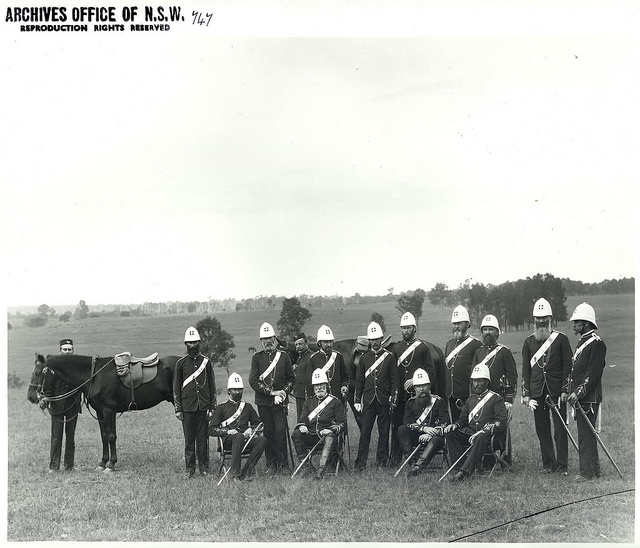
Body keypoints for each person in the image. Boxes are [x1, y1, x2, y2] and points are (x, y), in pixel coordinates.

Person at [521, 298, 573, 475]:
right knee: (541, 429)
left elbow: (568, 366)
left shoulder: (561, 339)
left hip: (557, 391)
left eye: (544, 318)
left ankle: (562, 466)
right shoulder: (528, 342)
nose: (541, 322)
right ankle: (548, 464)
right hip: (537, 392)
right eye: (538, 319)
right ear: (534, 320)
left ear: (550, 318)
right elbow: (526, 370)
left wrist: (565, 389)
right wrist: (526, 394)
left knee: (560, 429)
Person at [444, 364, 509, 481]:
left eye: (479, 381)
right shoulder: (470, 400)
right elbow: (463, 420)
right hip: (472, 434)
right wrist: (455, 425)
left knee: (481, 436)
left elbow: (501, 422)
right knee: (451, 433)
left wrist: (484, 431)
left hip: (490, 436)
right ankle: (459, 467)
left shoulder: (496, 399)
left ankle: (464, 472)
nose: (476, 384)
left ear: (487, 382)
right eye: (474, 381)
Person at [565, 302, 607, 482]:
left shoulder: (596, 343)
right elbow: (576, 372)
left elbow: (593, 374)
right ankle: (594, 471)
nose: (573, 325)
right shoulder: (582, 342)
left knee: (585, 435)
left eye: (576, 322)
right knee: (586, 433)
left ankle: (586, 473)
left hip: (589, 397)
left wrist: (579, 393)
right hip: (581, 397)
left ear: (587, 323)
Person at [249, 322, 296, 474]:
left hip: (280, 404)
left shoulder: (284, 357)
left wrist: (283, 392)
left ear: (275, 338)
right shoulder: (257, 358)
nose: (268, 342)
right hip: (264, 403)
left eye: (270, 338)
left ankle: (283, 465)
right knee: (268, 433)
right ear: (260, 341)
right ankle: (271, 465)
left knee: (281, 432)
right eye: (264, 339)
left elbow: (291, 379)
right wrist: (271, 393)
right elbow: (253, 380)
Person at [390, 312, 436, 465]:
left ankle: (418, 459)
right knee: (397, 426)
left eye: (408, 328)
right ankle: (395, 459)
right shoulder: (397, 348)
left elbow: (431, 371)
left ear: (414, 329)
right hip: (401, 396)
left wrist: (415, 380)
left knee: (417, 427)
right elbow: (392, 373)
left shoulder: (422, 348)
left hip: (417, 398)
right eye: (403, 328)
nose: (405, 331)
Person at [173, 326, 217, 478]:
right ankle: (189, 469)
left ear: (199, 343)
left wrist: (212, 407)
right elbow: (176, 387)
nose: (193, 345)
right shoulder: (181, 363)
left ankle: (204, 468)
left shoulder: (206, 362)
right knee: (189, 440)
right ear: (186, 344)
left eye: (195, 342)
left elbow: (212, 385)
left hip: (203, 407)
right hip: (187, 408)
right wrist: (178, 409)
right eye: (190, 343)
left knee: (202, 440)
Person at [354, 321, 398, 470]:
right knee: (365, 432)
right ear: (369, 340)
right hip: (368, 400)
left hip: (384, 400)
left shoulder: (389, 357)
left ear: (382, 338)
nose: (375, 342)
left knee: (384, 432)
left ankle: (382, 462)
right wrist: (357, 400)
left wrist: (393, 398)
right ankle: (360, 463)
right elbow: (359, 380)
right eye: (372, 339)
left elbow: (394, 380)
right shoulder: (364, 358)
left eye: (377, 339)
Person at [209, 372, 267, 481]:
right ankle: (234, 475)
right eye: (234, 390)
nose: (237, 392)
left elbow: (259, 424)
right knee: (238, 436)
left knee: (262, 440)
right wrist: (227, 432)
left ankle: (245, 473)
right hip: (228, 441)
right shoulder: (221, 408)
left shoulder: (247, 407)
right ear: (228, 391)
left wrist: (251, 429)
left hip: (245, 439)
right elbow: (211, 430)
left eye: (239, 390)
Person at [292, 369, 347, 479]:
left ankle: (321, 470)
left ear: (326, 386)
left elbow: (342, 423)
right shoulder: (309, 402)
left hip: (326, 436)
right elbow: (302, 419)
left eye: (321, 385)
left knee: (330, 436)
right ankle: (306, 466)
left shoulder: (335, 402)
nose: (319, 388)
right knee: (296, 434)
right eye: (316, 386)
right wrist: (302, 425)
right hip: (311, 435)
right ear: (313, 388)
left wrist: (331, 430)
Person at [397, 368, 448, 476]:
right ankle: (414, 463)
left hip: (435, 436)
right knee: (401, 429)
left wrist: (430, 433)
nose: (421, 389)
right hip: (417, 435)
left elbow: (444, 421)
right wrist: (423, 429)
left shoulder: (438, 402)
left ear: (429, 386)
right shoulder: (410, 403)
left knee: (436, 439)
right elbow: (408, 422)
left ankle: (417, 468)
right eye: (418, 386)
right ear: (414, 388)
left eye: (424, 385)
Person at [41, 338, 82, 473]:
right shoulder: (52, 366)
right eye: (64, 349)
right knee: (56, 436)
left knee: (71, 435)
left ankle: (69, 465)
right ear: (60, 351)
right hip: (57, 405)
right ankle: (54, 466)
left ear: (73, 351)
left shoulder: (77, 366)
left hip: (73, 405)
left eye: (69, 350)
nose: (67, 352)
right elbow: (47, 385)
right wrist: (46, 398)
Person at [444, 306, 482, 423]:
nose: (456, 326)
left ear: (467, 324)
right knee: (455, 425)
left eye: (459, 323)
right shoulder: (449, 344)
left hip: (467, 394)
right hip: (451, 394)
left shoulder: (476, 344)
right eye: (454, 323)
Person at [472, 315, 518, 409]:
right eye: (485, 330)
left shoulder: (505, 352)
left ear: (497, 332)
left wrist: (509, 399)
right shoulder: (478, 352)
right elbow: (473, 377)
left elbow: (512, 376)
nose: (487, 332)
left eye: (491, 329)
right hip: (481, 398)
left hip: (499, 397)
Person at [309, 324, 350, 401]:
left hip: (337, 397)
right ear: (320, 343)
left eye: (331, 341)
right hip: (320, 399)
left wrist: (344, 386)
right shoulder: (314, 358)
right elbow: (309, 382)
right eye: (326, 342)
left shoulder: (338, 356)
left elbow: (345, 377)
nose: (329, 344)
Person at [291, 333, 312, 421]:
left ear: (306, 344)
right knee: (300, 420)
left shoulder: (311, 356)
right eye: (296, 344)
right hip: (299, 393)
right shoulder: (300, 357)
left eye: (300, 344)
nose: (298, 346)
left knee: (307, 419)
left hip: (307, 394)